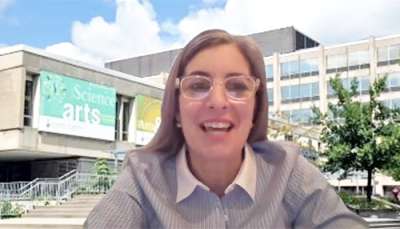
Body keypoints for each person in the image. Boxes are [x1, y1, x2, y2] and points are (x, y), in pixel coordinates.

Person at [85, 29, 368, 228]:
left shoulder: (288, 169)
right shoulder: (142, 176)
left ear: (256, 107)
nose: (218, 102)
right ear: (177, 109)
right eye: (197, 85)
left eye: (237, 86)